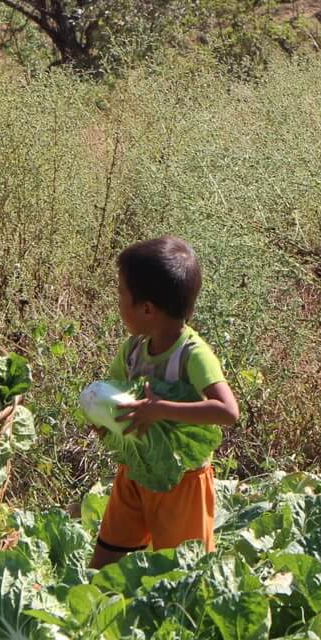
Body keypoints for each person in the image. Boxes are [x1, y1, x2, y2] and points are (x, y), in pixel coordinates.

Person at [89, 236, 240, 567]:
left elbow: (227, 411)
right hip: (135, 472)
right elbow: (113, 397)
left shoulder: (192, 355)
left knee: (185, 575)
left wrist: (160, 410)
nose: (118, 305)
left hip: (183, 484)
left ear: (146, 309)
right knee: (105, 565)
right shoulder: (131, 351)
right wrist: (103, 423)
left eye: (121, 297)